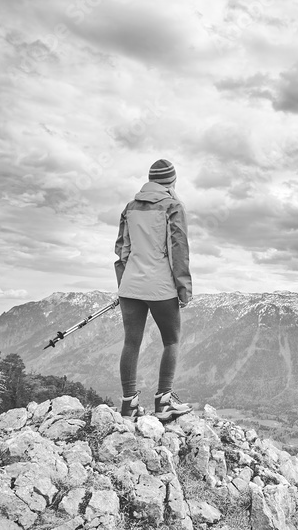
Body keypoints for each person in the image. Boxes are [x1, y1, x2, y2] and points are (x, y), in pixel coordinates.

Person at [113, 158, 193, 420]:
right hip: (160, 287)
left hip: (131, 286)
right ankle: (164, 402)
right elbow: (178, 250)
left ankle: (128, 405)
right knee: (171, 340)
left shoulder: (129, 207)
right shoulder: (173, 205)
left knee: (131, 342)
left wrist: (124, 283)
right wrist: (184, 289)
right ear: (172, 181)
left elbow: (122, 249)